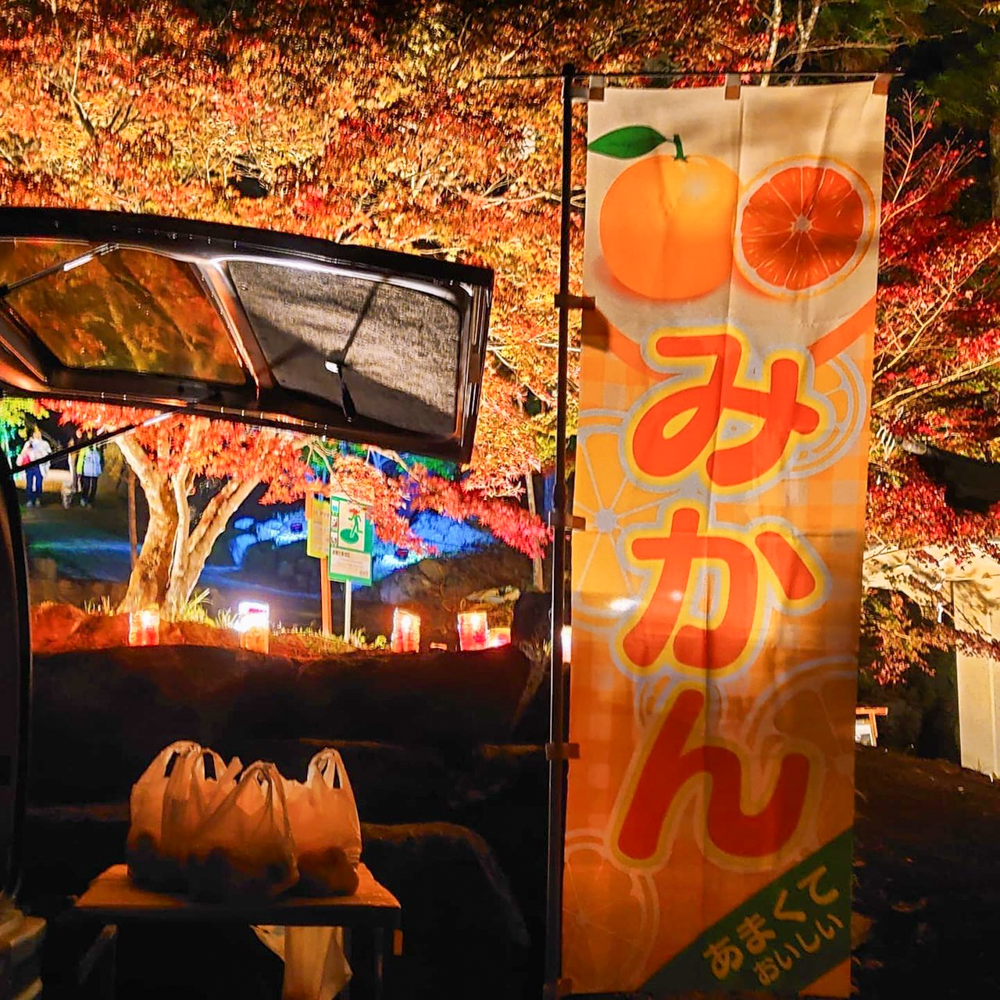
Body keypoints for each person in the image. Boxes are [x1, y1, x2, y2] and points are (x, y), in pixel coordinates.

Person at [16, 427, 52, 508]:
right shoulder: (29, 442)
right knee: (29, 483)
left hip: (39, 465)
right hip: (30, 465)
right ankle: (30, 499)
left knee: (39, 483)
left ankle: (37, 498)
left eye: (38, 432)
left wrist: (42, 454)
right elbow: (23, 453)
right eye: (35, 432)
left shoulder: (44, 443)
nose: (37, 434)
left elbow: (48, 453)